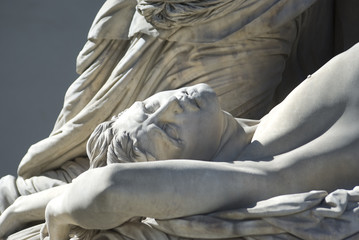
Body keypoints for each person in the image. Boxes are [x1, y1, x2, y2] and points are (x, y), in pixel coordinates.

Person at [1, 43, 359, 240]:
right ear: (182, 167)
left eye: (149, 106)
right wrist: (54, 211)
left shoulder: (263, 130)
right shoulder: (265, 163)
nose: (173, 105)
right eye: (170, 132)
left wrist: (27, 205)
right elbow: (109, 188)